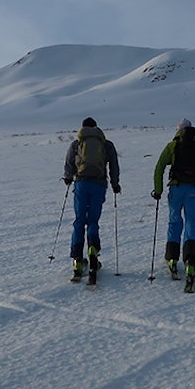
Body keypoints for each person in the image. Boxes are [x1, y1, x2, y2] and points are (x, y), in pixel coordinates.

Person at [152, 118, 195, 288]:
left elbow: (159, 168)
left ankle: (172, 258)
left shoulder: (172, 146)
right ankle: (190, 261)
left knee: (174, 221)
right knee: (191, 223)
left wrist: (158, 190)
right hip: (194, 191)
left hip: (176, 189)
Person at [63, 117, 121, 280]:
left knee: (79, 221)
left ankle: (77, 260)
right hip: (99, 184)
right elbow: (114, 165)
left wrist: (68, 178)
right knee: (93, 221)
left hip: (81, 184)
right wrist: (115, 184)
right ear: (96, 128)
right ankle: (93, 251)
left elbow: (69, 162)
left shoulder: (77, 143)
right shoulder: (106, 144)